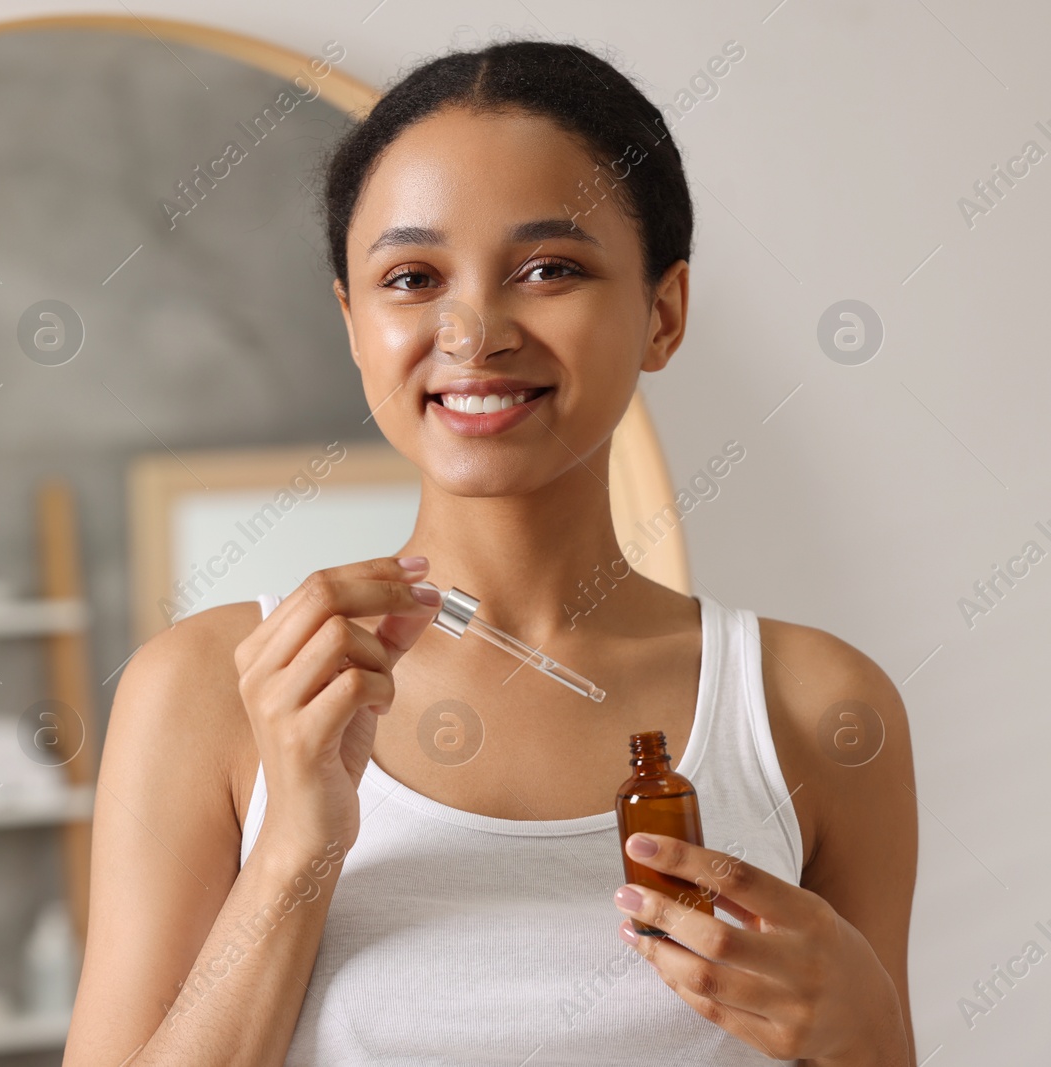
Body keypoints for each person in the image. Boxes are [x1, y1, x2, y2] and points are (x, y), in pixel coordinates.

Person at [66, 39, 916, 1066]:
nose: (472, 330)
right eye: (411, 276)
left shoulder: (811, 707)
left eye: (549, 268)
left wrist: (870, 1035)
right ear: (352, 321)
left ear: (663, 310)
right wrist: (297, 846)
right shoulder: (208, 691)